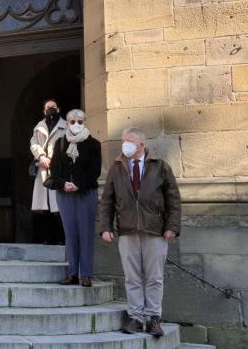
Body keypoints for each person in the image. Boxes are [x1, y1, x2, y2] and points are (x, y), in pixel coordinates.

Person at [98, 127, 182, 337]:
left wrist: (172, 226)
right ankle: (135, 317)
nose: (125, 144)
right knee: (132, 277)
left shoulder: (160, 167)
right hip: (127, 231)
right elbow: (107, 200)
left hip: (155, 231)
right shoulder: (117, 168)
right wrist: (105, 227)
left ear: (141, 145)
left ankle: (153, 317)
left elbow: (173, 199)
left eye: (130, 141)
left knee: (155, 277)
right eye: (124, 140)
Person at [44, 109, 101, 287]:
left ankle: (85, 273)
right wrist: (63, 184)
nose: (76, 124)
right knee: (70, 233)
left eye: (80, 121)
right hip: (65, 194)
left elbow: (95, 171)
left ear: (85, 122)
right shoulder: (60, 143)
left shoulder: (93, 144)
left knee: (85, 232)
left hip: (84, 192)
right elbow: (54, 170)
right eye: (72, 121)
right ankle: (72, 272)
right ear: (67, 123)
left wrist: (78, 184)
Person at [30, 99, 66, 243]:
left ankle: (61, 238)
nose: (50, 109)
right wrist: (41, 155)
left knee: (58, 205)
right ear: (43, 111)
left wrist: (55, 159)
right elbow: (33, 143)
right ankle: (47, 238)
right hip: (43, 168)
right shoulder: (39, 126)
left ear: (58, 109)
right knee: (43, 207)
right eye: (47, 108)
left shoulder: (65, 126)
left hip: (58, 168)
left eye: (53, 107)